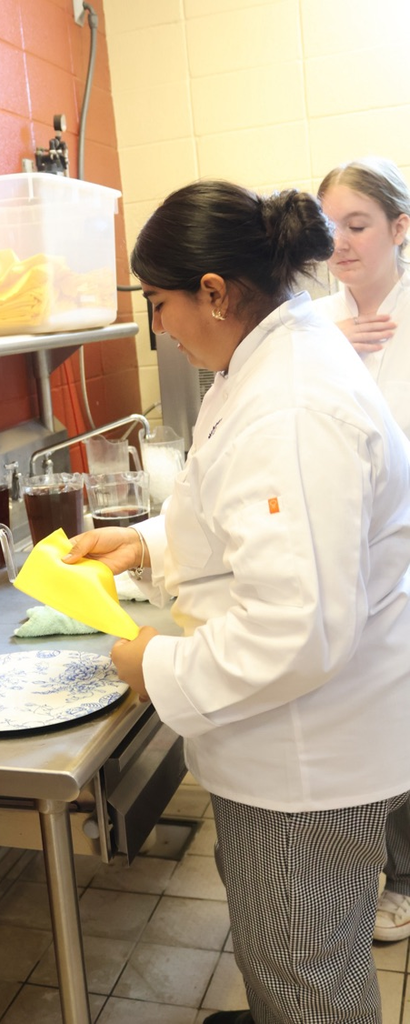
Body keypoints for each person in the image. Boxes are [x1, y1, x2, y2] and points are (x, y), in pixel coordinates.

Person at [63, 179, 410, 1024]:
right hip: (309, 735)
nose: (157, 329)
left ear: (213, 293)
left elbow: (297, 628)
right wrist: (147, 543)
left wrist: (158, 665)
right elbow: (250, 522)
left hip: (306, 761)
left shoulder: (289, 401)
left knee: (307, 984)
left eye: (159, 302)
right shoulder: (273, 356)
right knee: (290, 961)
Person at [315, 157, 410, 944]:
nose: (342, 244)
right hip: (348, 558)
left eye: (359, 224)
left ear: (400, 229)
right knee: (367, 715)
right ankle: (360, 871)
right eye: (330, 229)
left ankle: (405, 880)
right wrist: (326, 346)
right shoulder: (314, 322)